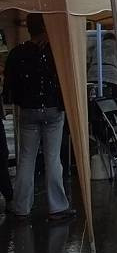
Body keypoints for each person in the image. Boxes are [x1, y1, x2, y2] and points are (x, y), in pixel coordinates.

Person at [3, 14, 74, 222]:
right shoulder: (54, 52)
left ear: (29, 29)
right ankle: (57, 207)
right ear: (46, 27)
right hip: (53, 109)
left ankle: (21, 207)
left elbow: (9, 85)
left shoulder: (18, 53)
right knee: (52, 158)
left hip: (27, 111)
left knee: (26, 158)